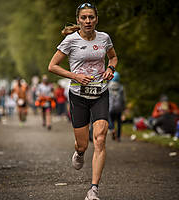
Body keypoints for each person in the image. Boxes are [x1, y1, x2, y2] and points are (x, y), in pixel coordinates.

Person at [48, 3, 118, 200]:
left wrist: (110, 69)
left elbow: (113, 58)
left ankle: (93, 190)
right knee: (82, 146)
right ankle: (78, 153)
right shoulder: (71, 40)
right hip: (78, 96)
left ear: (96, 19)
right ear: (78, 20)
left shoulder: (104, 38)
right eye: (84, 18)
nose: (88, 21)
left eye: (91, 17)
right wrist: (74, 76)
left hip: (100, 93)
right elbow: (52, 66)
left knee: (101, 138)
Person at [108, 71, 126, 142]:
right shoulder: (121, 87)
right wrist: (124, 108)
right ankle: (118, 137)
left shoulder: (108, 86)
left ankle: (112, 129)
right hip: (119, 107)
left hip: (111, 107)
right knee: (119, 122)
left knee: (110, 119)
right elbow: (123, 99)